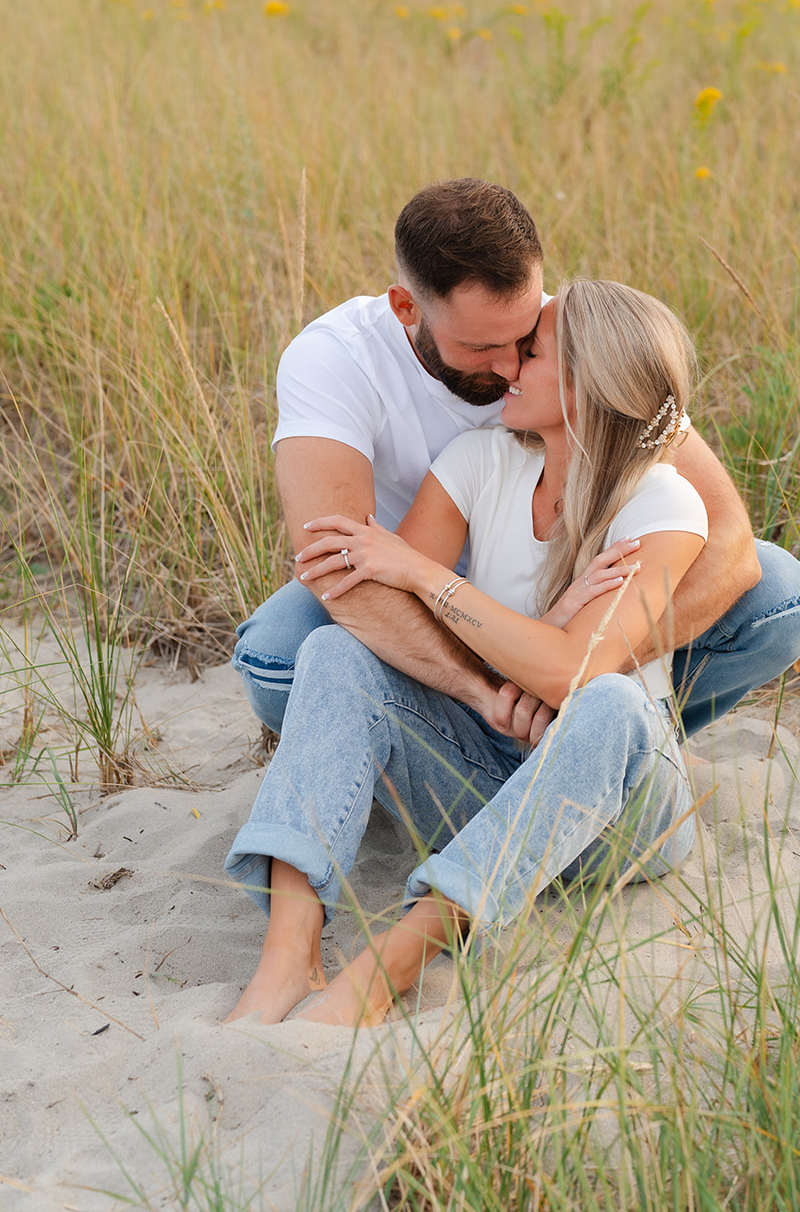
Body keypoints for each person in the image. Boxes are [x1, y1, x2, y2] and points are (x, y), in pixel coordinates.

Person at [225, 280, 709, 1026]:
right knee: (334, 650)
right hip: (488, 778)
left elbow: (565, 675)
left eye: (531, 352)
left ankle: (392, 966)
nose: (505, 370)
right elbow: (395, 626)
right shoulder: (477, 461)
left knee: (610, 700)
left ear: (588, 385)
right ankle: (287, 958)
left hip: (615, 813)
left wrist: (425, 573)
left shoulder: (660, 502)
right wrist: (542, 628)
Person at [231, 180, 800, 745]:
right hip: (406, 583)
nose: (512, 366)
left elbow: (726, 536)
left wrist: (566, 670)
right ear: (407, 307)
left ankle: (599, 735)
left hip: (566, 606)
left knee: (780, 595)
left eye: (524, 341)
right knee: (276, 660)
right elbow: (338, 570)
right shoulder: (334, 359)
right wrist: (483, 689)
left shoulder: (570, 337)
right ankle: (464, 743)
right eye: (483, 348)